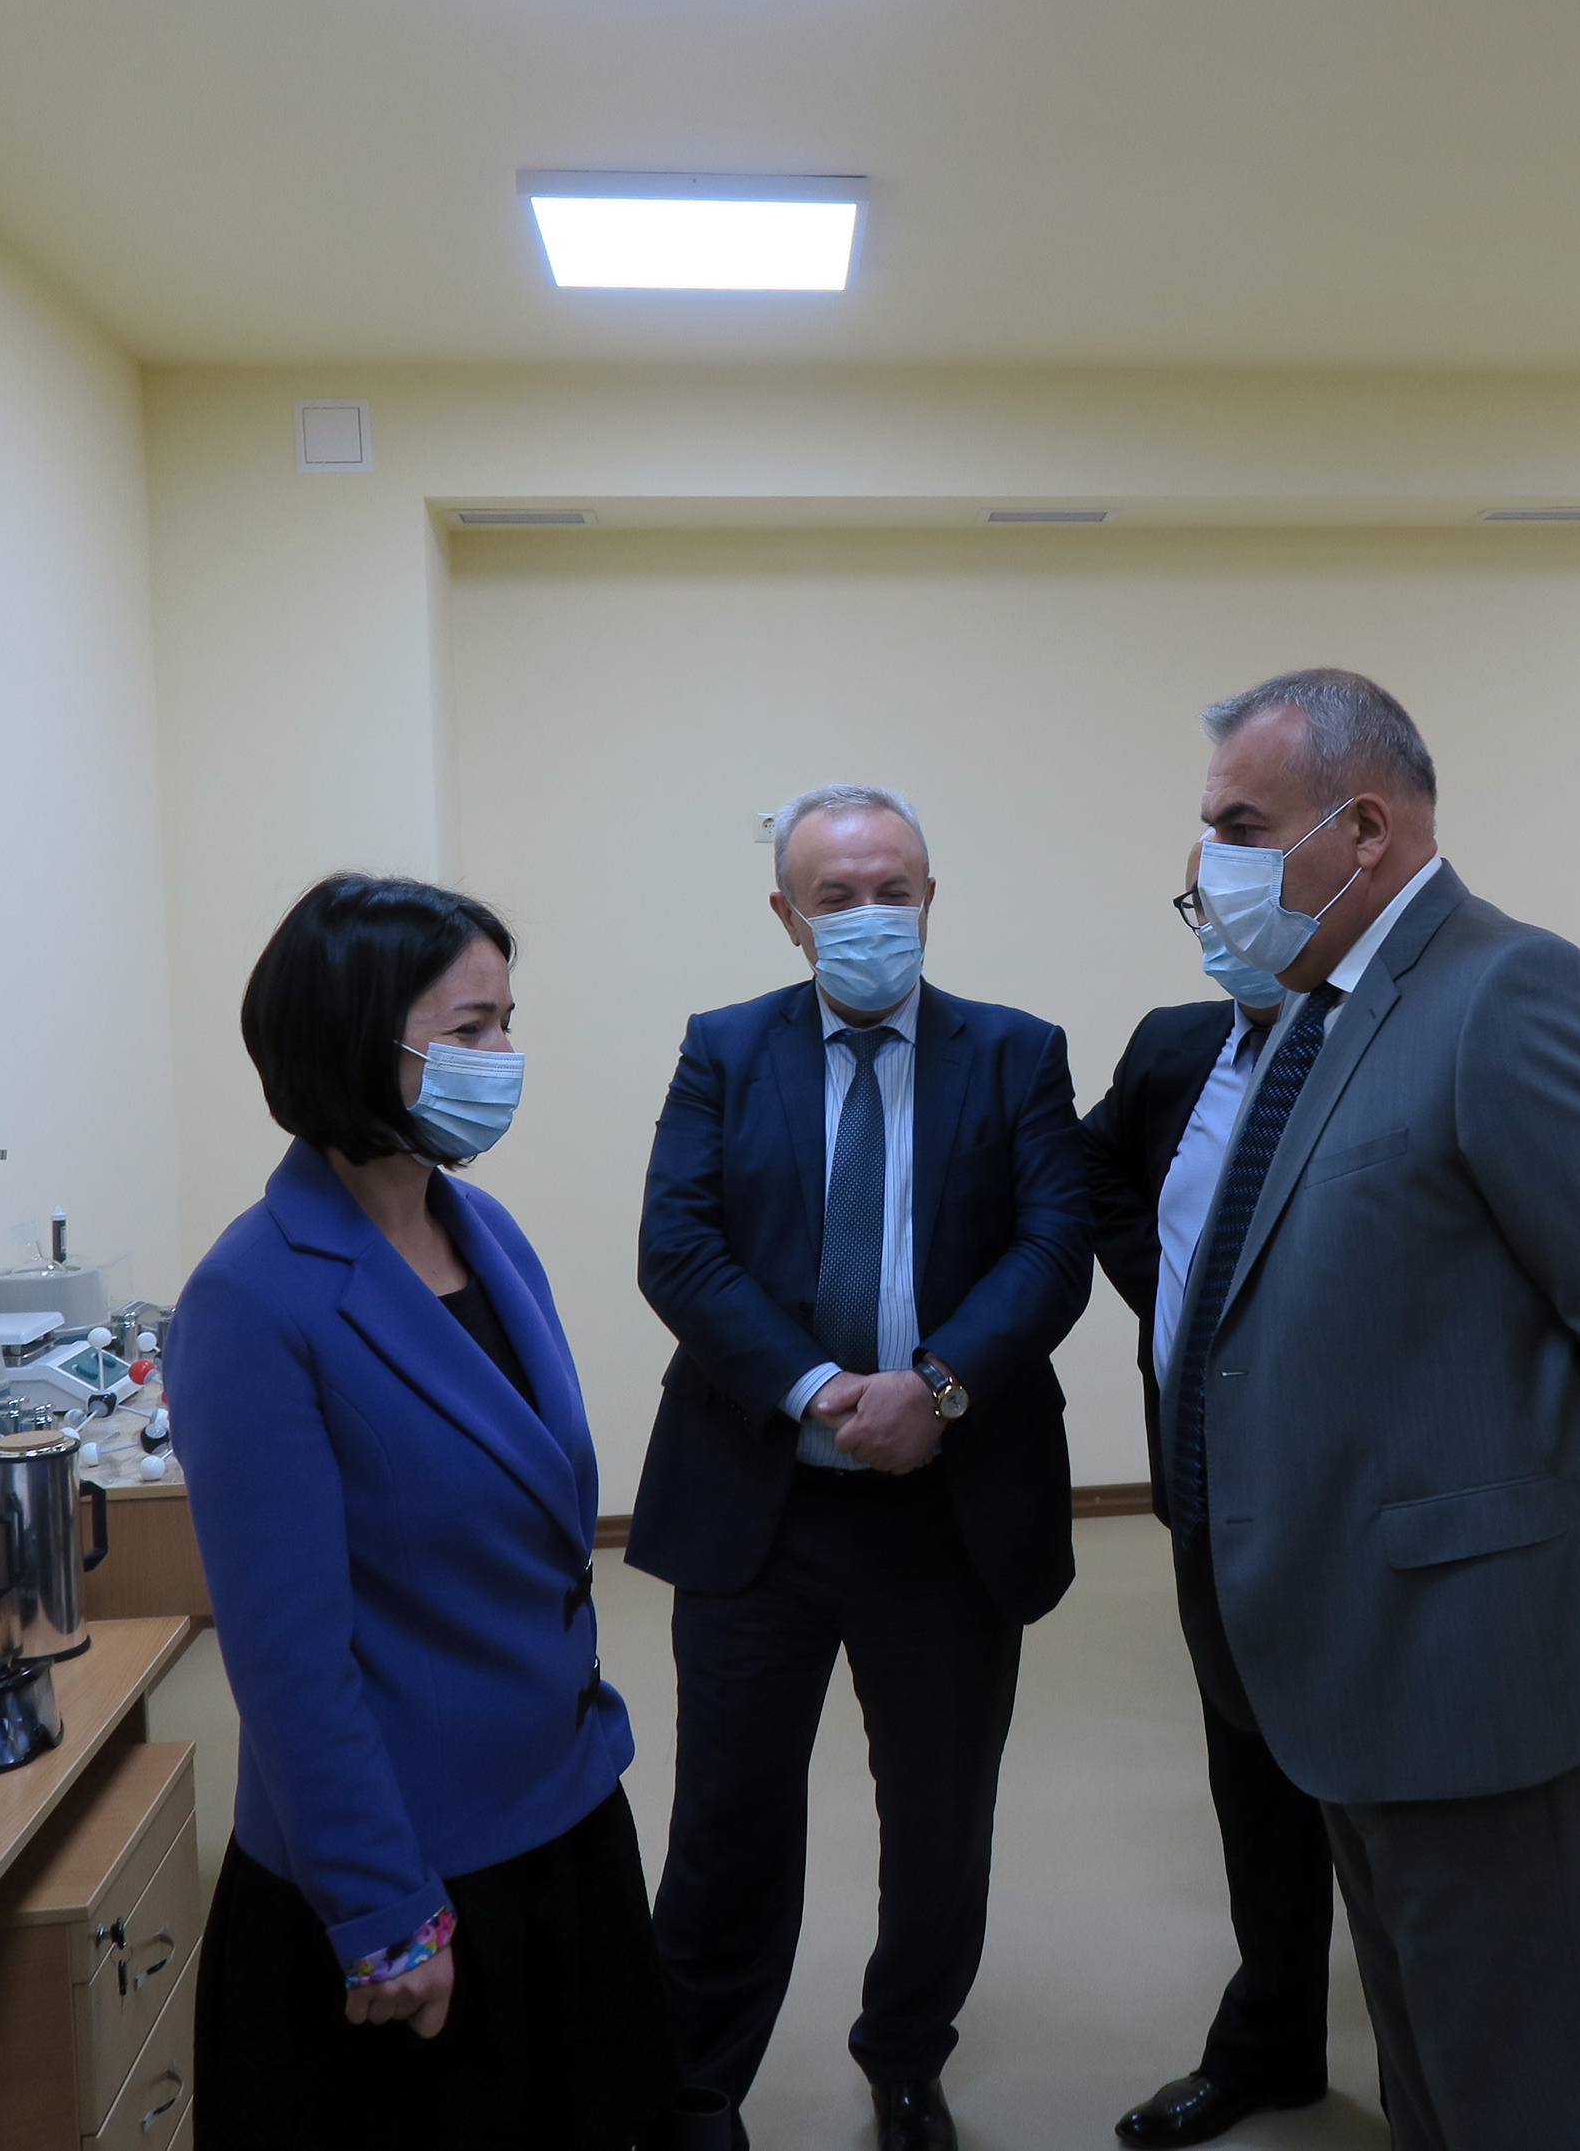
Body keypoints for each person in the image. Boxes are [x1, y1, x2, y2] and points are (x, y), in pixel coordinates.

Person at [1161, 671, 1580, 2151]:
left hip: (1485, 1663)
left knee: (1521, 2095)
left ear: (1362, 829)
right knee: (1433, 2078)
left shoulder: (1505, 989)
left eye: (1242, 825)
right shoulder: (1325, 1014)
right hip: (1358, 1664)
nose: (1209, 862)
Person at [174, 874, 703, 2151]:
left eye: (507, 1022)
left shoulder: (485, 1231)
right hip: (410, 1864)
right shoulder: (254, 1298)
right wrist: (382, 1914)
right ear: (353, 1037)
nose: (502, 1057)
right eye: (470, 1030)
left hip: (562, 1807)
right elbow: (289, 1660)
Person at [631, 785, 1092, 2151]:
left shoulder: (1016, 1054)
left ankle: (904, 2056)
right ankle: (696, 2087)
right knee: (726, 1819)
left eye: (895, 889)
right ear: (789, 917)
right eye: (837, 896)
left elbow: (1052, 1249)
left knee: (939, 1822)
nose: (870, 914)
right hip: (758, 1507)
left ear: (930, 898)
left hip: (949, 1512)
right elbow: (679, 1247)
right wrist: (821, 1389)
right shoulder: (724, 1049)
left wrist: (935, 1388)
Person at [1076, 873, 1333, 2150]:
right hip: (1206, 1481)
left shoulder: (1384, 1049)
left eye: (1238, 885)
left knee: (1379, 1793)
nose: (1217, 930)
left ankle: (1448, 2070)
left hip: (1349, 1498)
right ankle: (1273, 2042)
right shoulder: (1174, 1047)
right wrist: (1177, 1293)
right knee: (1254, 1774)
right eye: (1198, 907)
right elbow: (1091, 1172)